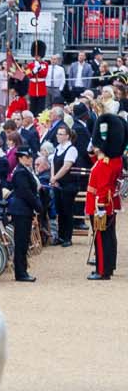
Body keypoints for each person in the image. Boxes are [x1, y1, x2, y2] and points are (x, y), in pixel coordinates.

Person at [87, 112, 124, 281]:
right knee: (109, 236)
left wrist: (100, 207)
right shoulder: (114, 160)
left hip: (100, 204)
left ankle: (102, 270)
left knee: (101, 240)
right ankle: (109, 265)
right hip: (109, 203)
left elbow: (101, 187)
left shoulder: (104, 164)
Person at [5, 146, 42, 282]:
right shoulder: (21, 172)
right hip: (21, 209)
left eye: (30, 157)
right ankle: (21, 272)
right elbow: (25, 192)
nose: (30, 159)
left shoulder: (24, 170)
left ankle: (22, 270)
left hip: (23, 209)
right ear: (20, 158)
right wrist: (37, 206)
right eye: (27, 157)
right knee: (21, 241)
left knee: (23, 241)